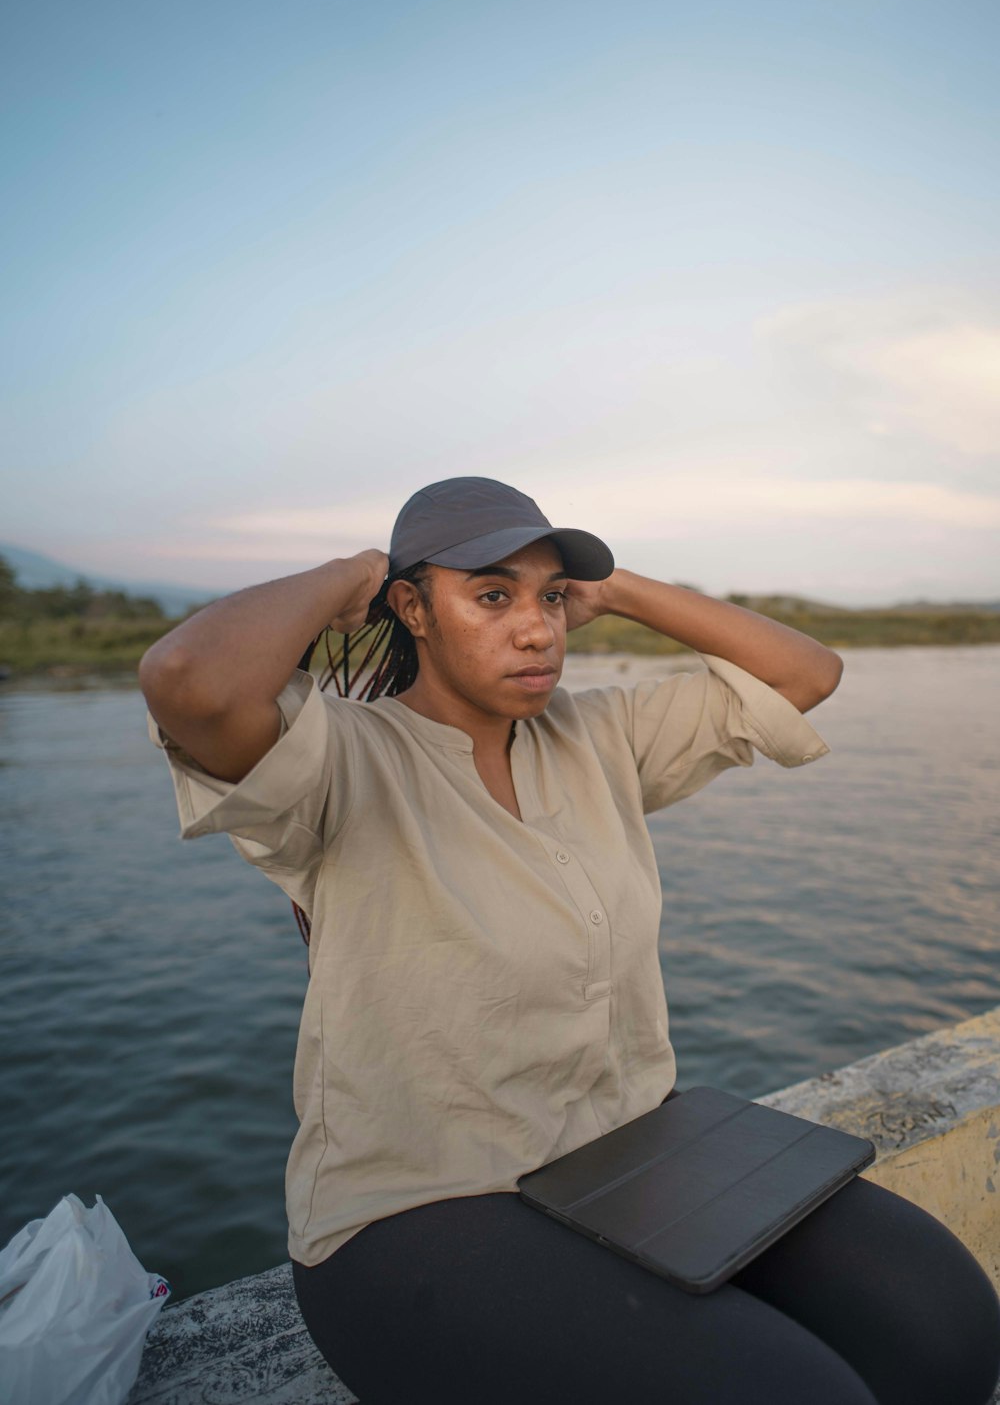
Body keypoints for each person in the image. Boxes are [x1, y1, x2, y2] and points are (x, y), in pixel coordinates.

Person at [140, 476, 1000, 1405]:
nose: (537, 628)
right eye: (492, 594)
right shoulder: (341, 758)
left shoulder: (597, 737)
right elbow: (191, 682)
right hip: (421, 1206)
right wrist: (353, 571)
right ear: (412, 610)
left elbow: (807, 673)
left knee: (945, 1327)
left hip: (628, 1152)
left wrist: (616, 587)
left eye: (551, 597)